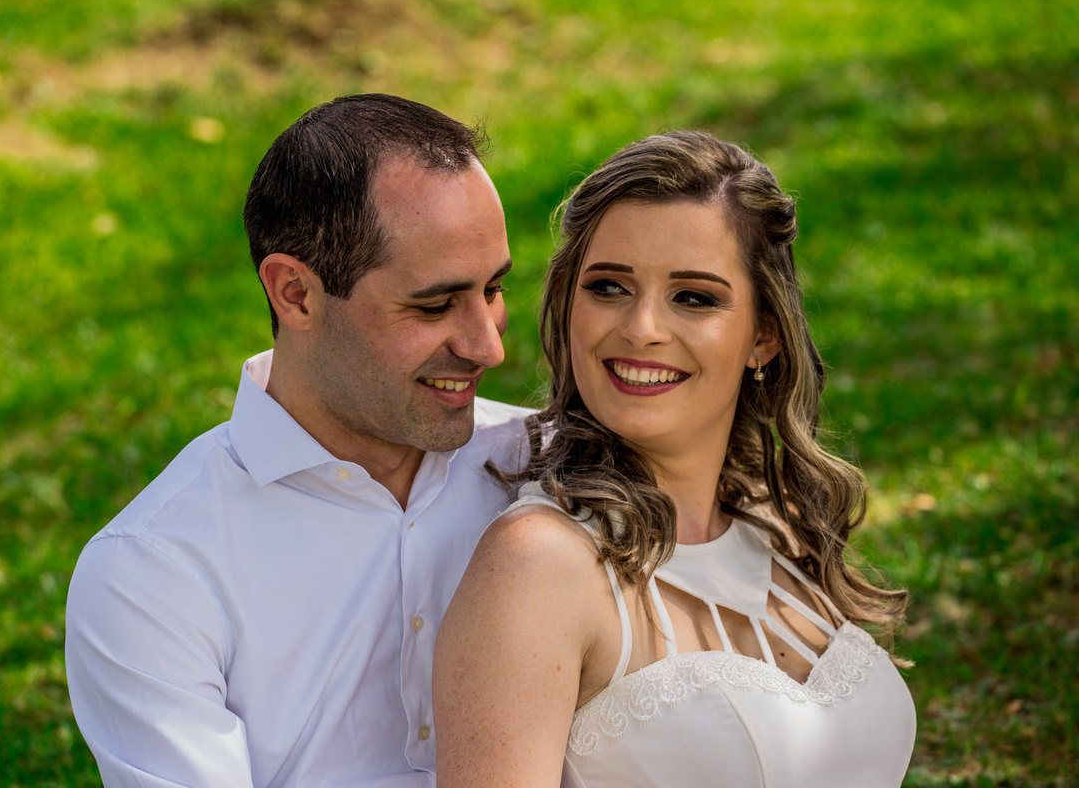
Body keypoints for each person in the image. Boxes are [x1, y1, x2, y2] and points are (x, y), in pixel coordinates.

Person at [65, 94, 530, 787]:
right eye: (434, 305)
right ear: (295, 294)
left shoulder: (541, 466)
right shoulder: (153, 573)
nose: (487, 346)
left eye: (492, 289)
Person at [433, 130, 916, 787]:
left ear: (764, 336)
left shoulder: (783, 519)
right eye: (608, 287)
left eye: (694, 297)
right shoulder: (540, 564)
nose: (641, 329)